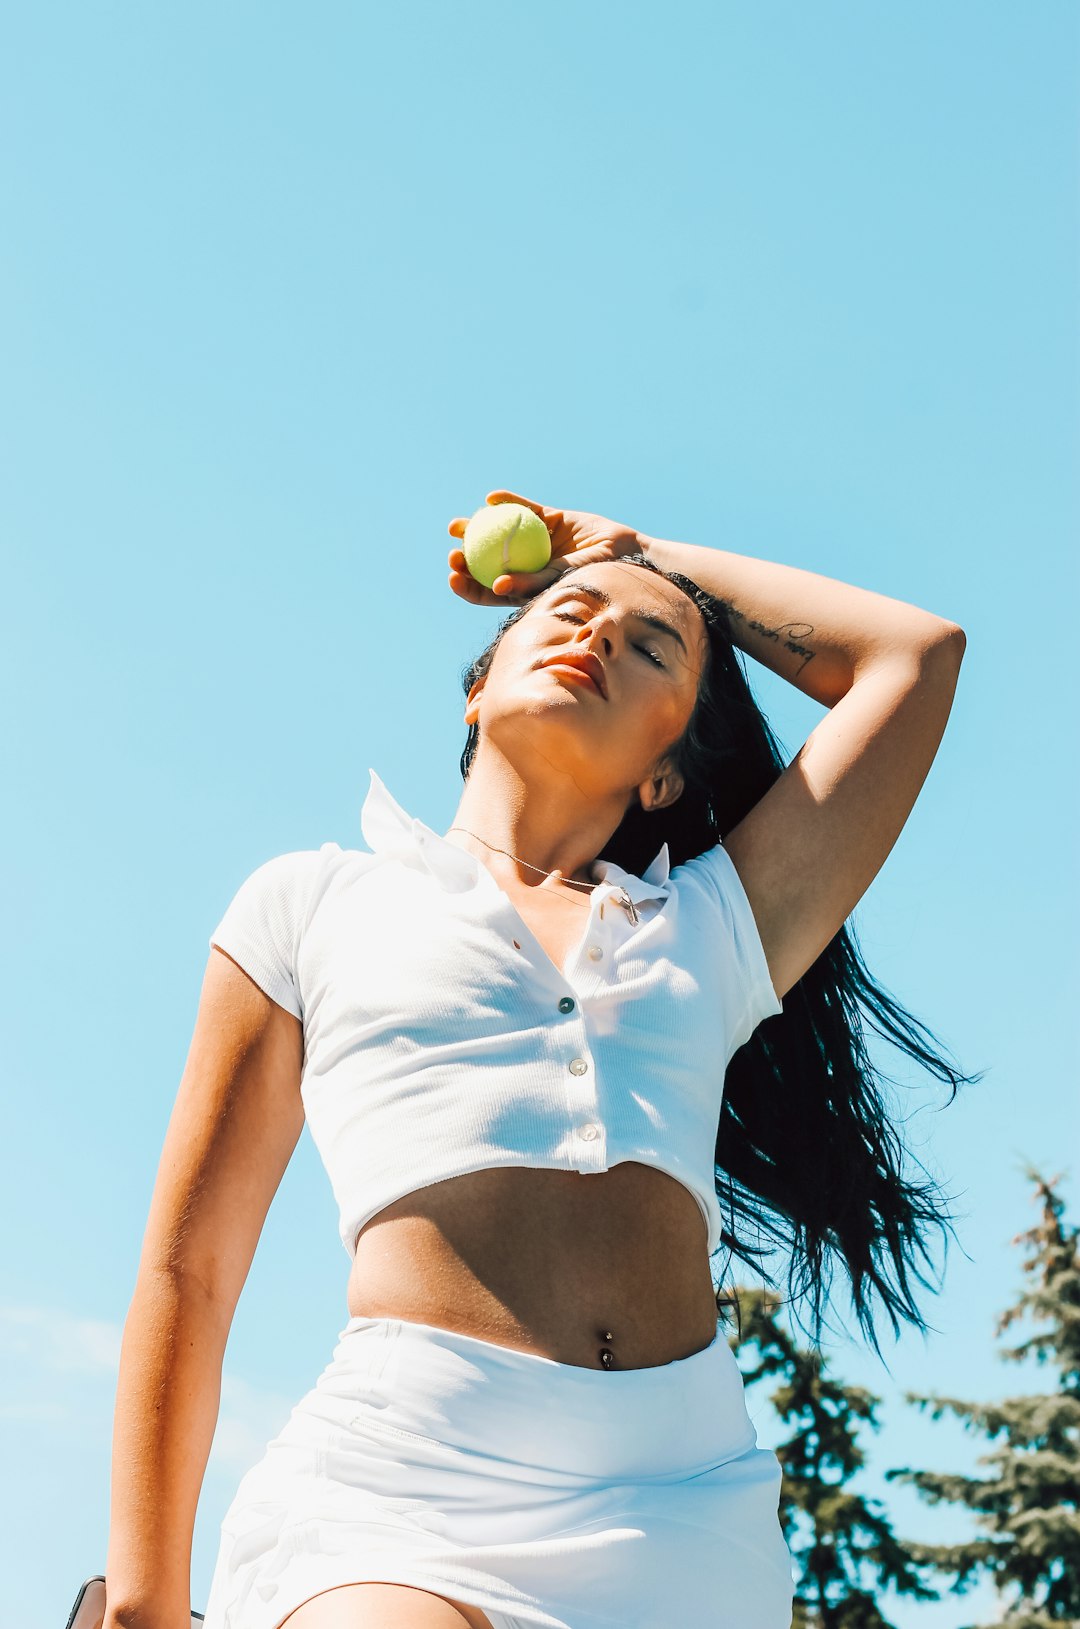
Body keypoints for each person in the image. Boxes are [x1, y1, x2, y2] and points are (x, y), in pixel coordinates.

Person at [103, 490, 971, 1629]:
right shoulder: (310, 902)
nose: (598, 630)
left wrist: (635, 550)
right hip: (401, 1479)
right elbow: (189, 1271)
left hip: (678, 1506)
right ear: (479, 687)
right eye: (566, 610)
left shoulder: (713, 924)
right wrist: (142, 1599)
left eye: (649, 643)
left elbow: (915, 657)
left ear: (665, 774)